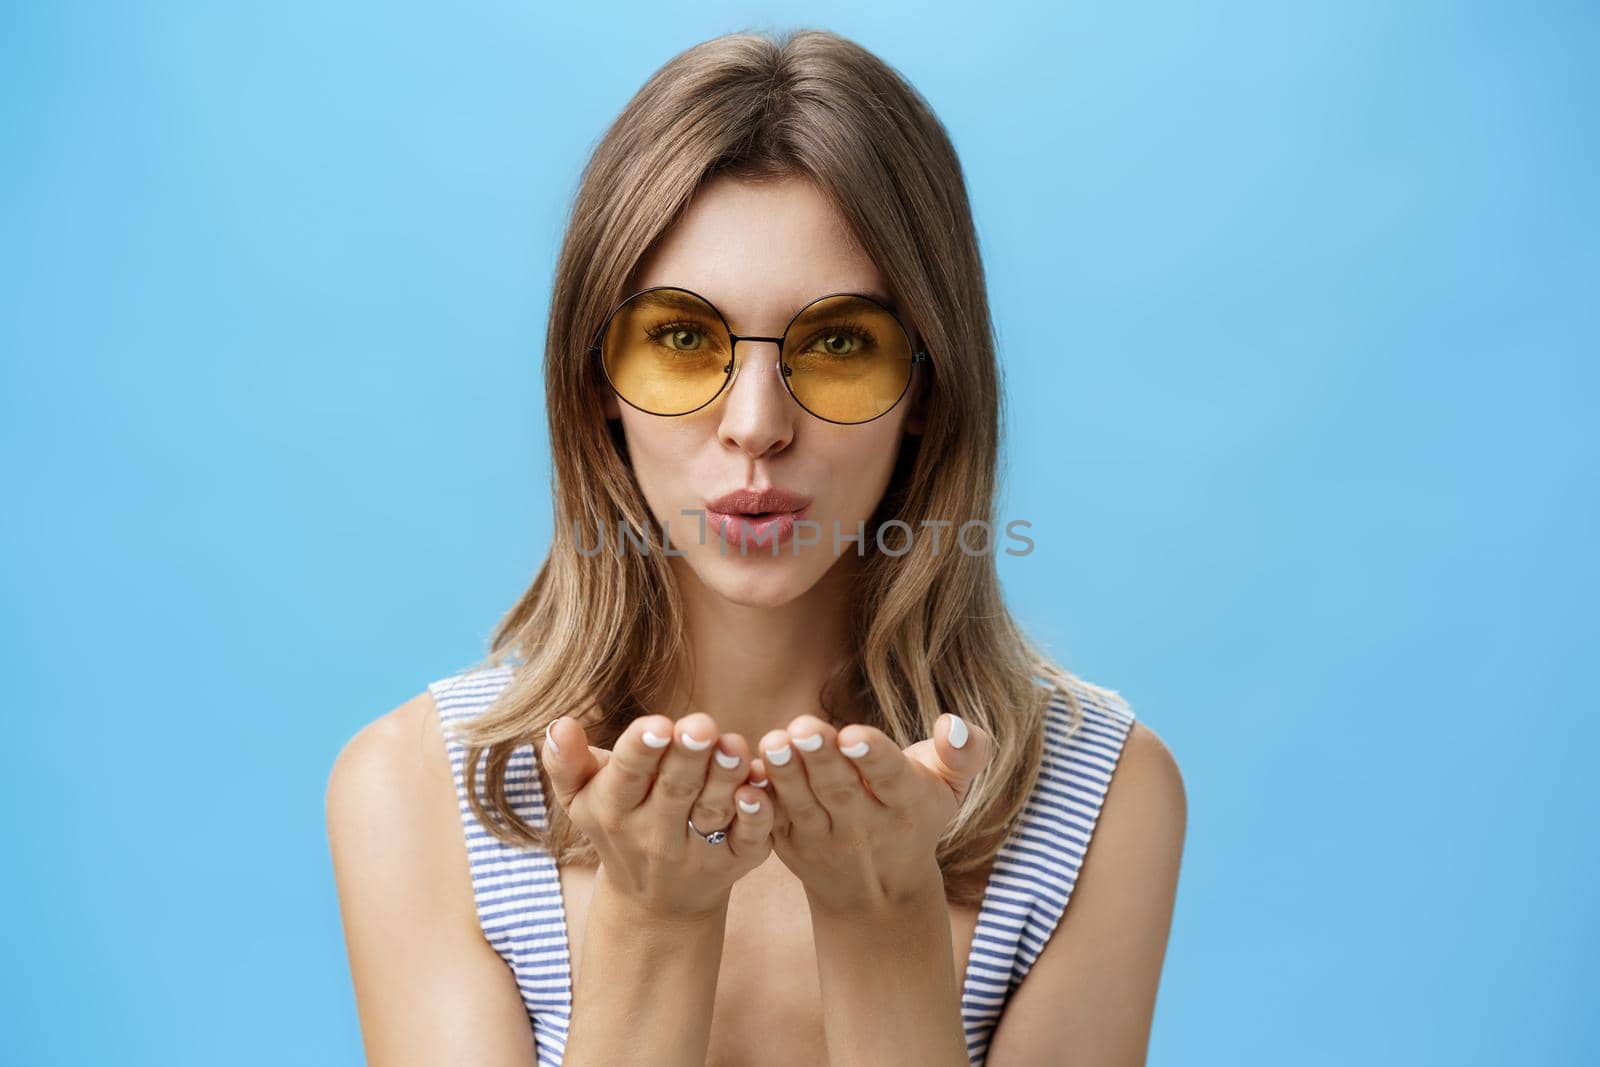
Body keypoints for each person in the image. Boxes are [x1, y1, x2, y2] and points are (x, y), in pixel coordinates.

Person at [327, 27, 1185, 1067]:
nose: (755, 424)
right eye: (684, 337)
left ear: (929, 386)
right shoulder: (417, 790)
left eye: (837, 343)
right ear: (594, 377)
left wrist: (880, 921)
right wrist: (656, 921)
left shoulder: (1099, 794)